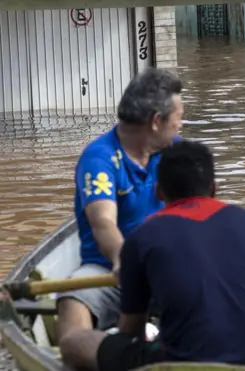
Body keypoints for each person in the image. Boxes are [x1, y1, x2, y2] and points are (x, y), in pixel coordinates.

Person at [59, 140, 245, 371]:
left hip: (175, 362)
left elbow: (131, 331)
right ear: (214, 189)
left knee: (74, 342)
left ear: (159, 192)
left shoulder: (142, 237)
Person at [56, 67, 184, 342]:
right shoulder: (100, 158)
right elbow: (103, 223)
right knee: (72, 302)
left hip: (167, 266)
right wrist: (125, 261)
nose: (180, 126)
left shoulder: (177, 152)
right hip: (109, 269)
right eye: (178, 118)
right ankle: (85, 355)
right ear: (155, 121)